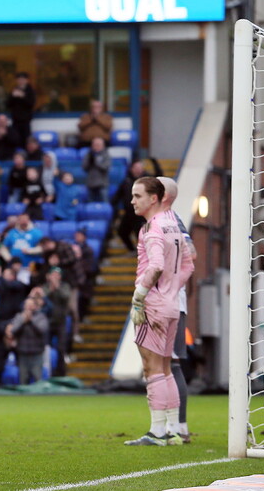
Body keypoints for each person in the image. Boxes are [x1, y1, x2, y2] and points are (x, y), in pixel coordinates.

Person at [125, 176, 194, 446]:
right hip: (172, 304)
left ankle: (157, 432)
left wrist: (140, 296)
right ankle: (173, 431)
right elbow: (189, 265)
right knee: (166, 368)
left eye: (137, 195)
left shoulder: (152, 228)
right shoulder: (173, 226)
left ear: (154, 198)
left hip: (153, 305)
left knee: (152, 368)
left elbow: (154, 266)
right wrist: (171, 289)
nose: (133, 201)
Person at [157, 177, 197, 443]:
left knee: (170, 364)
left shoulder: (171, 220)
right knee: (163, 365)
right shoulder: (158, 222)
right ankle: (169, 426)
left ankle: (175, 426)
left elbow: (190, 252)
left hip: (169, 302)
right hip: (161, 300)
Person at [6, 294, 49, 384]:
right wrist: (23, 322)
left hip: (36, 353)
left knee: (38, 379)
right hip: (23, 353)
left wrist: (31, 322)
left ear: (35, 306)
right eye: (27, 305)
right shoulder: (19, 317)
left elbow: (42, 331)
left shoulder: (40, 317)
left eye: (31, 305)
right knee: (23, 380)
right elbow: (13, 331)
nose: (29, 307)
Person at [6, 72, 36, 145]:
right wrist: (13, 96)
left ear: (27, 80)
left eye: (22, 79)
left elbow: (31, 104)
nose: (21, 81)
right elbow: (8, 105)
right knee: (15, 140)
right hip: (15, 120)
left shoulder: (30, 91)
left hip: (26, 121)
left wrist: (23, 96)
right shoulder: (14, 90)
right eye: (19, 80)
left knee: (26, 140)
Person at [82, 137, 111, 202]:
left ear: (103, 146)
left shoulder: (106, 154)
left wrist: (96, 162)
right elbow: (84, 167)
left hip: (102, 184)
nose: (96, 147)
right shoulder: (89, 154)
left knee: (105, 203)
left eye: (98, 145)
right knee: (90, 205)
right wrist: (90, 161)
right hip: (91, 184)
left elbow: (106, 167)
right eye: (95, 145)